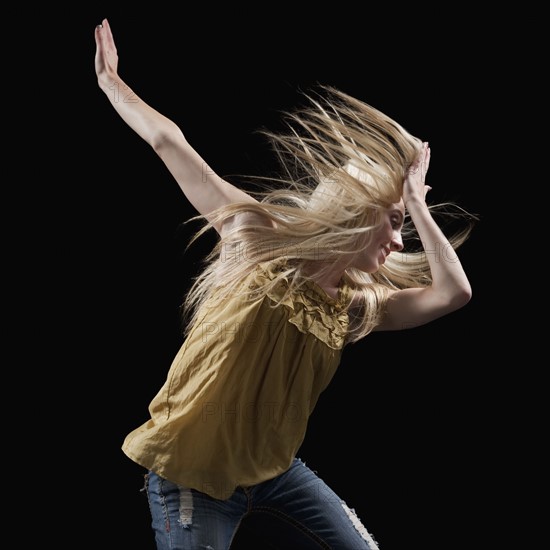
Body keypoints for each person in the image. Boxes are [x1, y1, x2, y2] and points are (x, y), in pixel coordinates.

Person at [95, 18, 475, 550]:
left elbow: (454, 292)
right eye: (392, 223)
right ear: (355, 217)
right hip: (190, 475)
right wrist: (113, 82)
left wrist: (415, 205)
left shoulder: (355, 305)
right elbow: (168, 141)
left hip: (275, 474)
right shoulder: (252, 238)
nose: (398, 243)